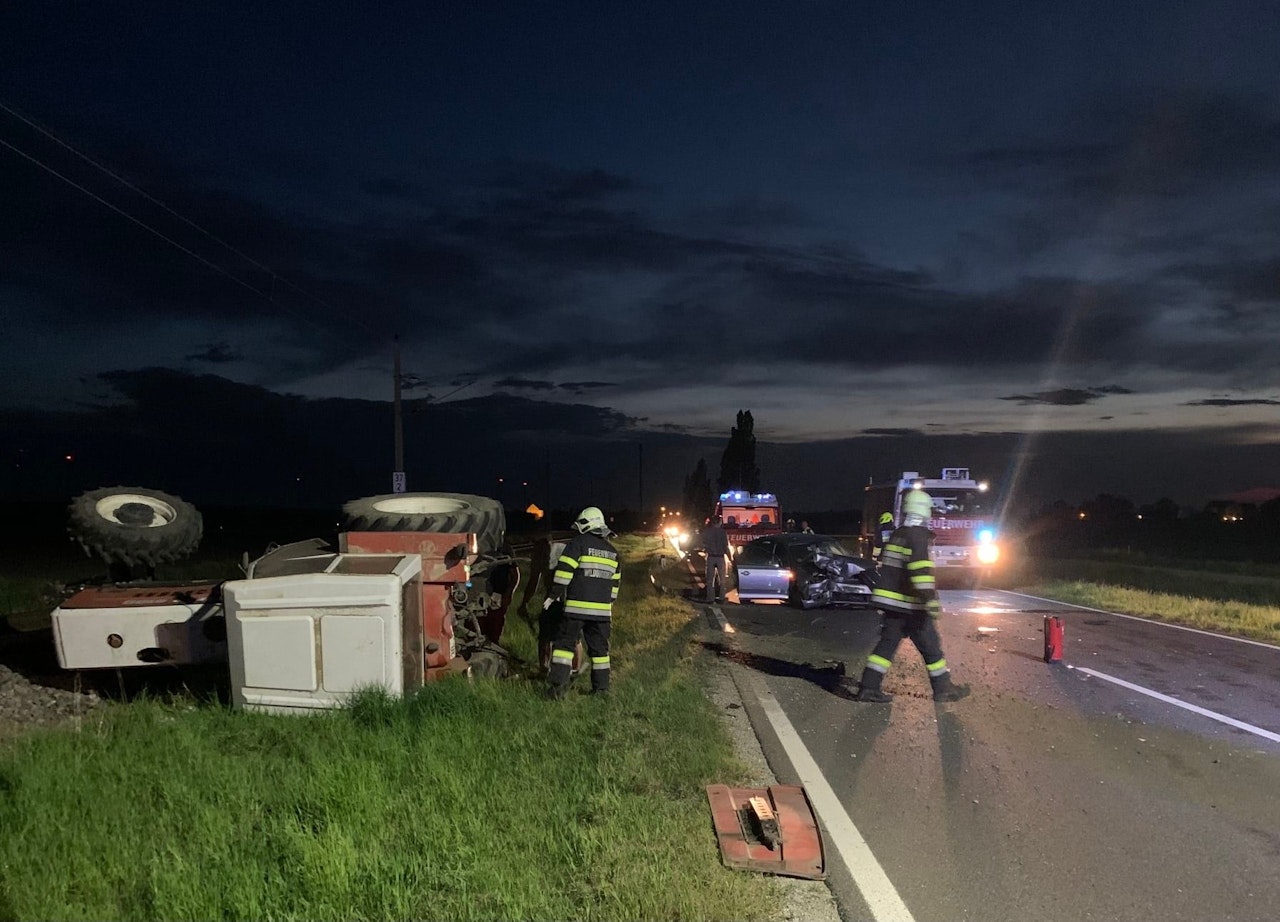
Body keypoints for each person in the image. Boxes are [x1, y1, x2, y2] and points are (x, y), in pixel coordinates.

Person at [855, 490, 969, 703]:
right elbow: (920, 571)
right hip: (911, 604)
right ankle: (943, 689)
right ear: (925, 511)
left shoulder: (898, 534)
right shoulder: (918, 535)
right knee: (931, 646)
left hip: (892, 604)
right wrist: (930, 600)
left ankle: (868, 686)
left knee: (887, 645)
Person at [545, 506, 621, 699]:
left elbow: (563, 574)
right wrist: (606, 603)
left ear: (585, 525)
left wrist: (553, 595)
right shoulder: (613, 552)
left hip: (576, 610)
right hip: (603, 613)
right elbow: (615, 586)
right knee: (600, 652)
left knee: (564, 647)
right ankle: (601, 690)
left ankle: (557, 690)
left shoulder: (577, 544)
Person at [691, 514, 730, 603]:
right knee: (722, 579)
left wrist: (705, 549)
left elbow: (701, 544)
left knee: (709, 580)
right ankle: (721, 597)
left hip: (711, 557)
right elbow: (726, 546)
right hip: (720, 557)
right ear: (719, 522)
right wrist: (730, 558)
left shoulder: (706, 532)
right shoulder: (723, 532)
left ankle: (710, 598)